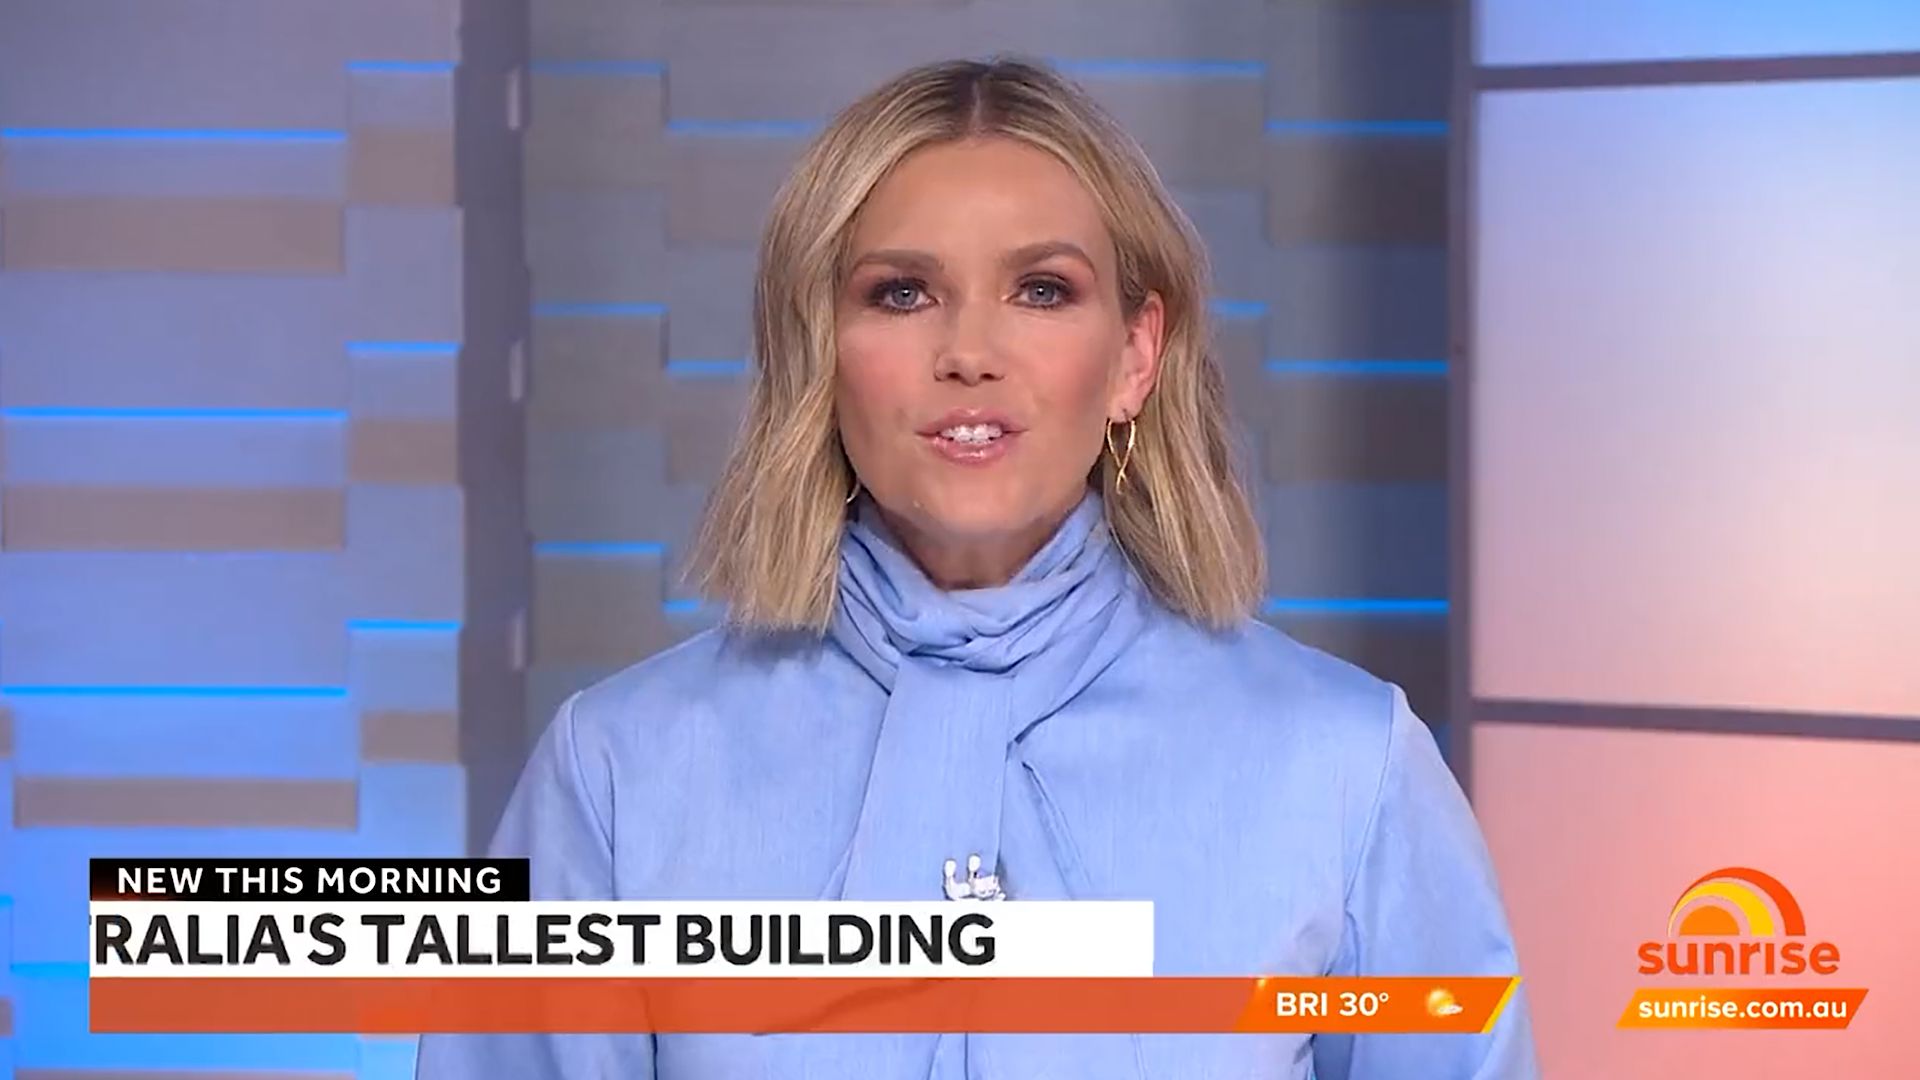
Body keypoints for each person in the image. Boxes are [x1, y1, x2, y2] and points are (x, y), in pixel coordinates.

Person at [417, 56, 1538, 1079]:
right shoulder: (618, 772)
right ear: (819, 350)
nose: (969, 353)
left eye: (1041, 290)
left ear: (1134, 356)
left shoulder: (1345, 765)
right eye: (901, 293)